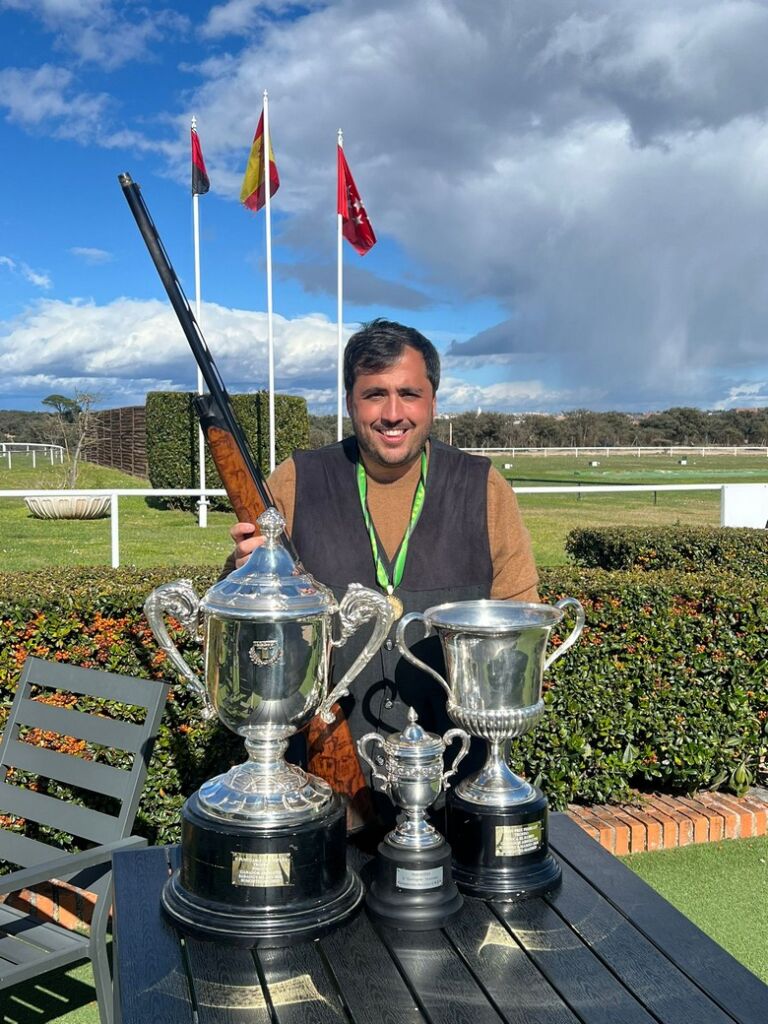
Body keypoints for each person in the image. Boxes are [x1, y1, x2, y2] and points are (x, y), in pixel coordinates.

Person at [225, 319, 538, 830]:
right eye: (375, 394)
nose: (393, 413)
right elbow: (241, 625)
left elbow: (520, 629)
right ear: (351, 402)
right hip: (321, 785)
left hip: (459, 782)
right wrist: (244, 571)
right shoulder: (295, 480)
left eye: (409, 393)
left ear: (432, 401)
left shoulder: (484, 487)